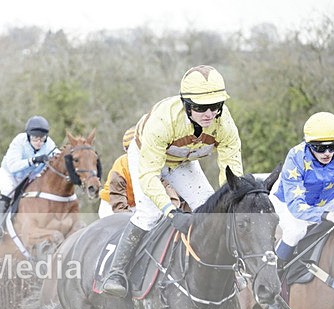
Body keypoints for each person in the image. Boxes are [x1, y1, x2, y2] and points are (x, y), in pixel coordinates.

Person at [100, 65, 243, 297]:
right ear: (187, 105)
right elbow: (149, 176)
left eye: (216, 106)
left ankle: (227, 271)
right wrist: (171, 212)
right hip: (146, 156)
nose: (209, 114)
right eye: (200, 107)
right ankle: (116, 272)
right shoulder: (163, 121)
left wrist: (234, 201)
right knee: (149, 212)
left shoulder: (224, 124)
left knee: (210, 210)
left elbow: (231, 171)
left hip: (182, 161)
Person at [269, 111, 334, 268]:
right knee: (295, 231)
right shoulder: (295, 157)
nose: (327, 154)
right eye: (319, 148)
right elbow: (296, 205)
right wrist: (325, 215)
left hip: (325, 201)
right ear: (308, 144)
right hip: (287, 202)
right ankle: (276, 274)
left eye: (333, 147)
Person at [0, 115, 58, 242]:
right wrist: (33, 160)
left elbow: (58, 158)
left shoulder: (49, 144)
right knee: (8, 190)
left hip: (28, 179)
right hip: (8, 175)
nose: (39, 143)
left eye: (42, 139)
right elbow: (13, 166)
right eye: (35, 139)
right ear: (28, 136)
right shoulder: (19, 142)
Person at [98, 126, 184, 218]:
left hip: (137, 204)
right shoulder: (121, 166)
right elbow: (117, 196)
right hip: (111, 204)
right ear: (127, 151)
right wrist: (126, 217)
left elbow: (165, 185)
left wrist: (173, 206)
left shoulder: (153, 162)